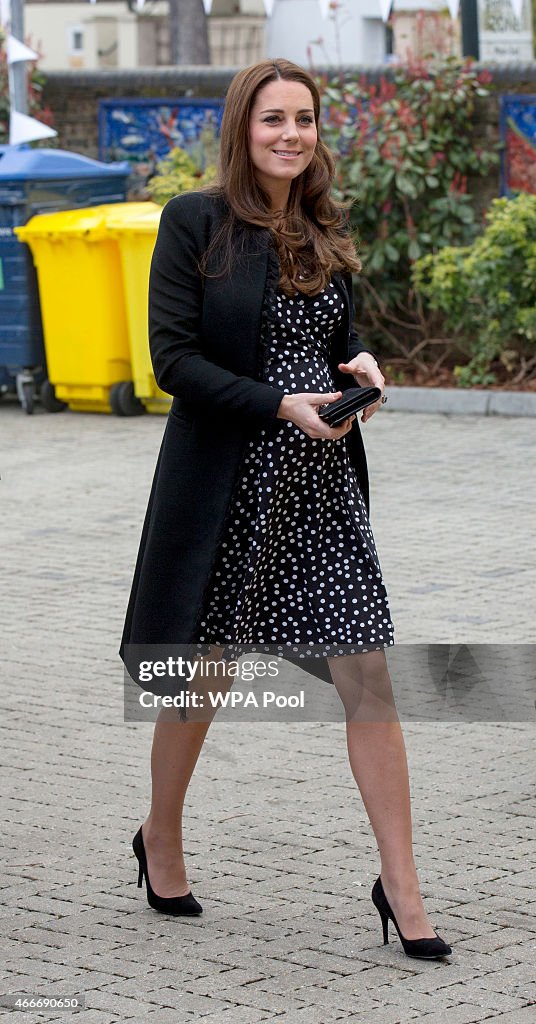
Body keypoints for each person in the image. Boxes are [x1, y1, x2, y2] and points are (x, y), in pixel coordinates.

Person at [120, 58, 452, 960]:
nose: (291, 135)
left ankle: (402, 884)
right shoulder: (194, 222)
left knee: (366, 676)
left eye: (304, 119)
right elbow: (173, 360)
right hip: (231, 482)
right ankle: (163, 840)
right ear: (244, 128)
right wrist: (279, 405)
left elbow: (336, 345)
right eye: (273, 120)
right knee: (207, 677)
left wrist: (363, 375)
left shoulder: (322, 224)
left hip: (321, 486)